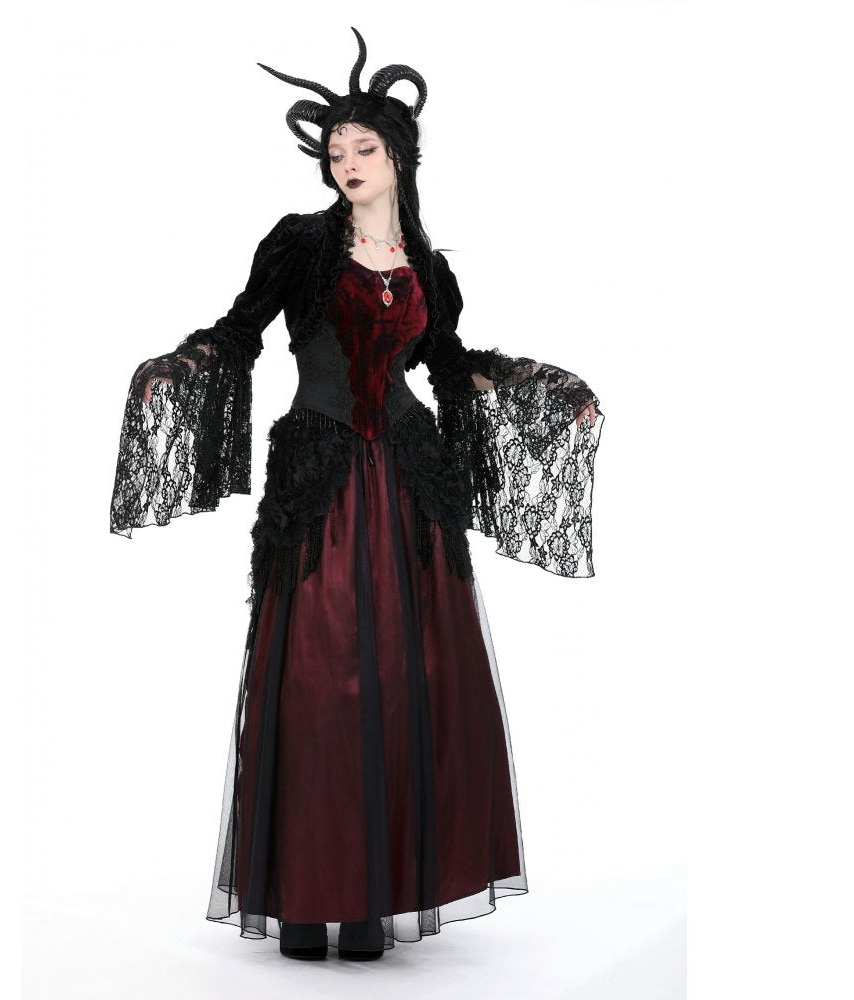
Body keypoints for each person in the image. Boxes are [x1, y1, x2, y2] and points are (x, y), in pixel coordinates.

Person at [109, 27, 604, 962]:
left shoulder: (430, 266)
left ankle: (376, 895)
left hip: (409, 486)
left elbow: (448, 366)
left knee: (409, 677)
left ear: (399, 155)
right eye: (335, 150)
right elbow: (240, 331)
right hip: (322, 481)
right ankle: (306, 894)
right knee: (316, 676)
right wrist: (181, 364)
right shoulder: (299, 245)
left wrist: (542, 384)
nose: (346, 162)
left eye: (363, 147)